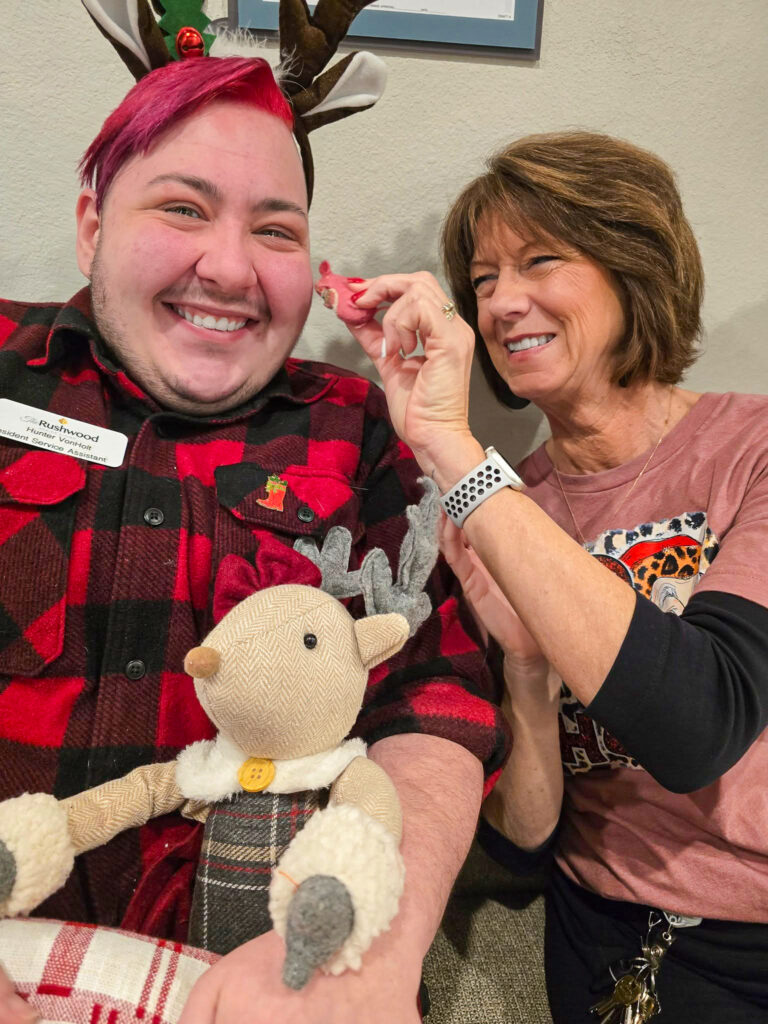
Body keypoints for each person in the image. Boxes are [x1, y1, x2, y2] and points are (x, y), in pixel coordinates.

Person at [0, 56, 507, 1024]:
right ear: (92, 228)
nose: (230, 268)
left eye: (274, 229)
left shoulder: (359, 429)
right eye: (183, 209)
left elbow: (437, 704)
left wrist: (374, 945)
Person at [344, 131, 768, 1022]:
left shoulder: (752, 449)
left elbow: (701, 722)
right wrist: (528, 677)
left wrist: (451, 445)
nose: (503, 302)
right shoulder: (500, 510)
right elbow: (527, 837)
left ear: (635, 267)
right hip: (597, 938)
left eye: (540, 260)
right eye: (484, 279)